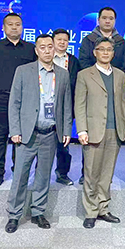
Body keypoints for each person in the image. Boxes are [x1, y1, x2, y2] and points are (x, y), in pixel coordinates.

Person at [4, 35, 72, 234]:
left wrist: (66, 129)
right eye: (42, 47)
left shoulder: (63, 74)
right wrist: (15, 130)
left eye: (50, 47)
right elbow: (14, 103)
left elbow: (66, 104)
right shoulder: (23, 71)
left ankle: (38, 212)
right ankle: (14, 215)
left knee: (43, 176)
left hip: (50, 134)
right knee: (20, 176)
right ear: (36, 50)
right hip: (27, 134)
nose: (47, 51)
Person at [75, 37, 125, 228]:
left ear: (113, 53)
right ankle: (91, 211)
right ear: (95, 52)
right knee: (91, 173)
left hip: (115, 130)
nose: (105, 52)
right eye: (102, 49)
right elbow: (79, 104)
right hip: (93, 131)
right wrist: (81, 129)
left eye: (109, 49)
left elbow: (123, 102)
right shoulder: (84, 75)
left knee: (107, 173)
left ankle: (103, 208)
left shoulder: (120, 75)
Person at [0, 13, 36, 186]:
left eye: (18, 24)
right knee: (0, 136)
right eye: (10, 24)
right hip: (1, 98)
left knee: (21, 136)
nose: (14, 27)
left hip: (24, 100)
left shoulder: (30, 49)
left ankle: (18, 171)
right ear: (3, 27)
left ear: (22, 27)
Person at [52, 28, 81, 186]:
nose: (62, 42)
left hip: (65, 107)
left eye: (65, 40)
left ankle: (62, 174)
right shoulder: (45, 58)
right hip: (45, 105)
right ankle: (39, 173)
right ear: (53, 41)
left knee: (63, 143)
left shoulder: (73, 61)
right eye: (59, 40)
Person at [79, 7, 125, 71]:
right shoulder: (88, 40)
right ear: (98, 20)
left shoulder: (121, 42)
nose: (107, 21)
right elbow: (83, 62)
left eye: (111, 19)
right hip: (91, 76)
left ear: (115, 21)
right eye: (104, 18)